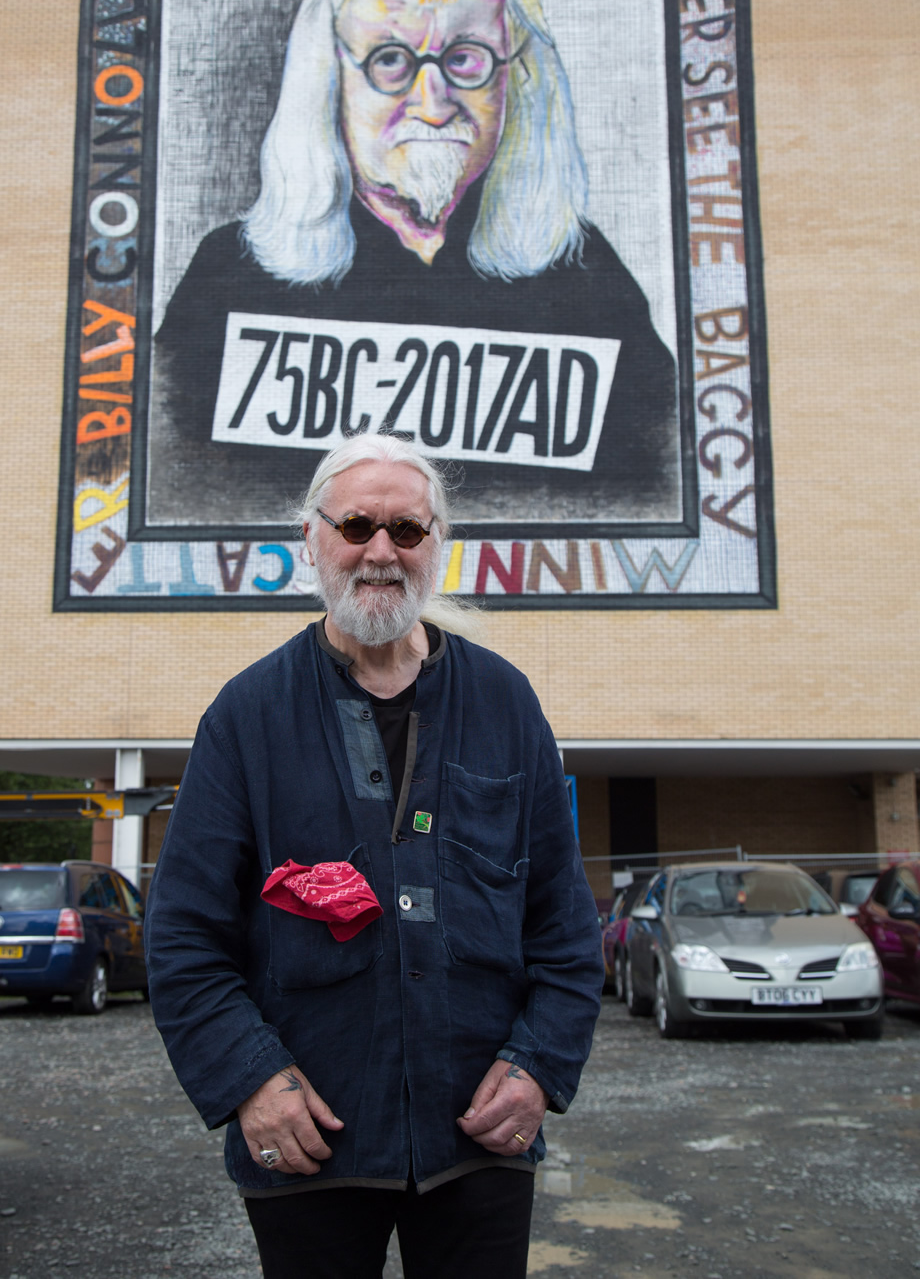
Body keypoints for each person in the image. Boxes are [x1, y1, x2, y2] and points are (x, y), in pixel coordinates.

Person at [144, 431, 604, 1279]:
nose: (381, 552)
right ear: (311, 540)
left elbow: (566, 929)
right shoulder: (245, 717)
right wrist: (252, 1082)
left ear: (438, 546)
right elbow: (181, 941)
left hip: (478, 1139)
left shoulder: (506, 702)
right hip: (310, 1141)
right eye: (356, 527)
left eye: (407, 530)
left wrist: (539, 1065)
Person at [150, 0, 680, 531]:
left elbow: (655, 486)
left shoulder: (587, 278)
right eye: (391, 60)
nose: (433, 104)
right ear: (329, 78)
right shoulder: (233, 278)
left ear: (516, 80)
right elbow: (177, 485)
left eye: (466, 58)